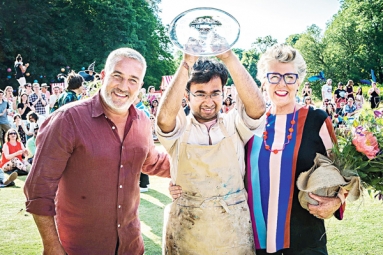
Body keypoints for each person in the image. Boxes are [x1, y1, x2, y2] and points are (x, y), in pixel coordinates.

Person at [24, 47, 171, 255]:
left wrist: (199, 167)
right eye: (117, 76)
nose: (123, 86)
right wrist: (51, 246)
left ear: (140, 86)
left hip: (131, 247)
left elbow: (153, 162)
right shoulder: (67, 120)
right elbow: (38, 189)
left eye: (133, 80)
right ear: (103, 76)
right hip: (79, 248)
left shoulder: (143, 121)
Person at [157, 50, 265, 254]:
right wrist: (186, 63)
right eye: (200, 93)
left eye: (215, 93)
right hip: (187, 232)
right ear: (186, 96)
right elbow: (163, 120)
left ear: (223, 94)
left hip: (233, 231)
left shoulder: (234, 124)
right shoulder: (179, 129)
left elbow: (257, 108)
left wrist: (229, 57)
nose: (208, 101)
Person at [245, 44, 344, 254]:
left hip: (306, 241)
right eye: (274, 77)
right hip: (256, 244)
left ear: (298, 81)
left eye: (289, 77)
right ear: (263, 81)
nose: (282, 84)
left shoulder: (317, 120)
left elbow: (344, 170)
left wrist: (337, 200)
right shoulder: (249, 124)